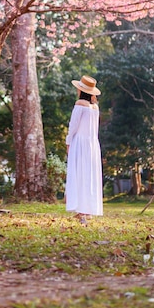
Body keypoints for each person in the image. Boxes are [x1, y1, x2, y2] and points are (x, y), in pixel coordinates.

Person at [65, 75, 103, 224]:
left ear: (81, 90)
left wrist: (68, 141)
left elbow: (73, 125)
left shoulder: (80, 104)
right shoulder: (95, 107)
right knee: (89, 175)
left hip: (80, 143)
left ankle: (81, 211)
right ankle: (87, 210)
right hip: (92, 144)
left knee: (79, 174)